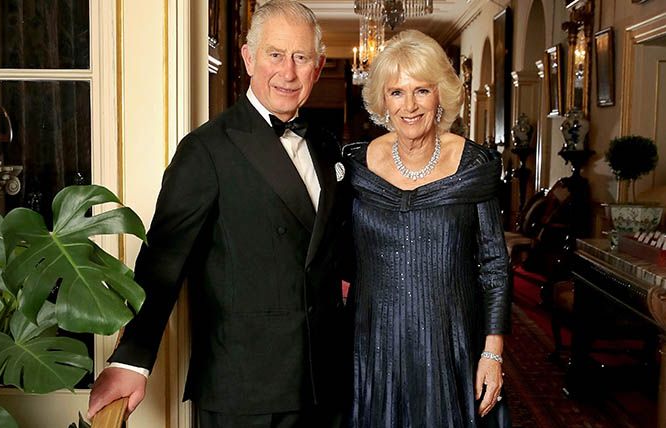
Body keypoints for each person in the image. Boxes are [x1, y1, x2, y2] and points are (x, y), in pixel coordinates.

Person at [88, 1, 351, 426]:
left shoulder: (325, 146)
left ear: (317, 68)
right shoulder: (207, 149)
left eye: (301, 58)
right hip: (244, 388)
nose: (288, 72)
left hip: (324, 385)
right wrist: (131, 360)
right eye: (275, 54)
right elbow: (162, 262)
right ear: (249, 58)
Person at [343, 30, 511, 427]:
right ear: (383, 100)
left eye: (422, 90)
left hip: (450, 343)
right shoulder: (355, 166)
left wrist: (493, 352)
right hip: (374, 345)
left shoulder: (473, 166)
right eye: (397, 92)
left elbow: (494, 266)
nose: (410, 106)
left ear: (441, 96)